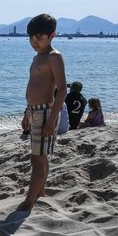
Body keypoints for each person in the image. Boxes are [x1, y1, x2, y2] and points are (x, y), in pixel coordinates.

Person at [18, 14, 67, 212]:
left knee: (37, 159)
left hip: (47, 111)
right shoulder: (37, 57)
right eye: (31, 38)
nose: (34, 42)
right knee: (41, 157)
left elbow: (62, 89)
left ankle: (29, 201)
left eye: (39, 38)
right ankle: (41, 192)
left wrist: (52, 119)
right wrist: (26, 113)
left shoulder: (54, 57)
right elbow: (33, 87)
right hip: (34, 111)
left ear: (52, 35)